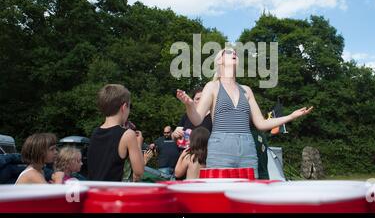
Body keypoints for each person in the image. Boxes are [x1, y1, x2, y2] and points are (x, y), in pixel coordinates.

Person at [176, 48, 314, 178]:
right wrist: (189, 105)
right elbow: (197, 119)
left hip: (248, 148)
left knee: (247, 193)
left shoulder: (247, 90)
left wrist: (291, 116)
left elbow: (261, 123)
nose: (234, 52)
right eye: (228, 52)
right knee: (222, 193)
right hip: (221, 148)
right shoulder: (212, 87)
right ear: (219, 61)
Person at [87, 84, 144, 182]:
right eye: (130, 106)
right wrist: (139, 144)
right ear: (124, 107)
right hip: (111, 194)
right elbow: (139, 171)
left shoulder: (95, 133)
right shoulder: (128, 135)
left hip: (94, 191)